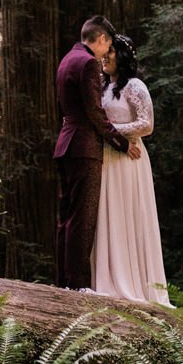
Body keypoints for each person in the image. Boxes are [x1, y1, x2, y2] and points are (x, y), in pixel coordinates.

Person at [53, 15, 140, 289]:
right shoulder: (88, 63)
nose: (108, 51)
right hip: (84, 147)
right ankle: (78, 283)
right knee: (82, 217)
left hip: (65, 143)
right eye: (109, 44)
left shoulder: (67, 59)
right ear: (101, 39)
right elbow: (95, 113)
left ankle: (63, 280)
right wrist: (122, 144)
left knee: (66, 216)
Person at [92, 34, 166, 304]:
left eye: (110, 52)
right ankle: (108, 279)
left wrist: (113, 133)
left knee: (128, 214)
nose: (105, 57)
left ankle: (134, 284)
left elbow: (147, 124)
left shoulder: (135, 86)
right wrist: (108, 135)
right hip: (107, 157)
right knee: (107, 214)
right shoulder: (102, 86)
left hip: (129, 160)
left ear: (121, 56)